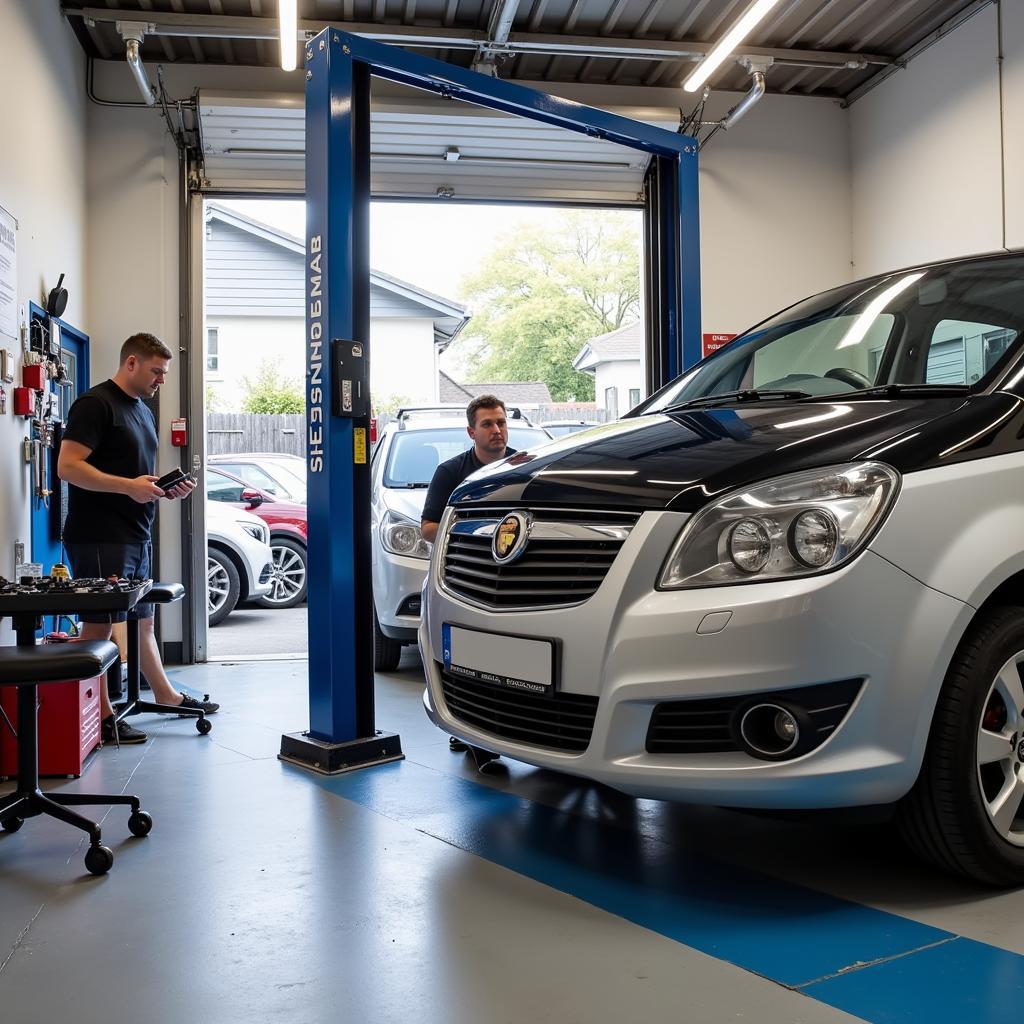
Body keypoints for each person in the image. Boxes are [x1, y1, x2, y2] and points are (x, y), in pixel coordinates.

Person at [57, 332, 220, 745]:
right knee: (98, 629)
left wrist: (164, 489)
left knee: (143, 622)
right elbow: (68, 467)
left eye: (164, 373)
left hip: (136, 533)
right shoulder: (94, 405)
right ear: (131, 362)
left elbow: (135, 475)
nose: (161, 380)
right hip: (99, 536)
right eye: (156, 371)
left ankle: (164, 696)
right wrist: (128, 487)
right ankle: (103, 716)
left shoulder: (142, 411)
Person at [421, 395, 516, 764]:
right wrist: (481, 536)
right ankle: (468, 730)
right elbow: (429, 528)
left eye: (501, 423)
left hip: (512, 581)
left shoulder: (523, 465)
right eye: (488, 425)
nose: (497, 431)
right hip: (466, 579)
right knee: (466, 657)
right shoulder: (450, 472)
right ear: (471, 431)